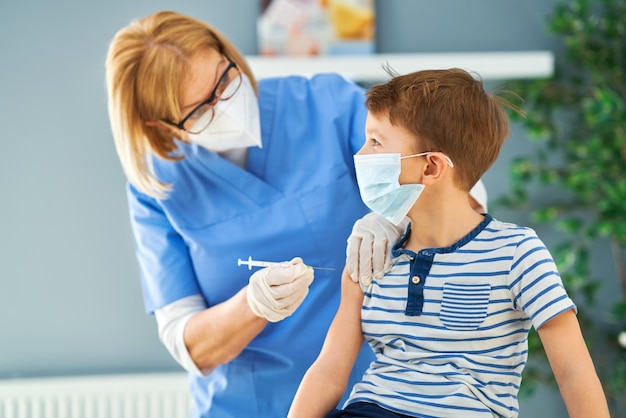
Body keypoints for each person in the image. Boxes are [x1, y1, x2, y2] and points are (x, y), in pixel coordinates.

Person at [104, 9, 431, 418]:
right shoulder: (159, 185)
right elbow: (190, 346)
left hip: (377, 389)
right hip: (251, 404)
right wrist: (252, 306)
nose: (225, 104)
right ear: (162, 126)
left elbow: (448, 183)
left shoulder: (323, 105)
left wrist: (396, 217)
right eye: (201, 108)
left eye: (225, 79)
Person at [288, 68, 610, 418]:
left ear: (431, 168)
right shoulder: (370, 254)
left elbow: (574, 373)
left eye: (376, 142)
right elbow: (329, 371)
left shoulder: (517, 254)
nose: (362, 155)